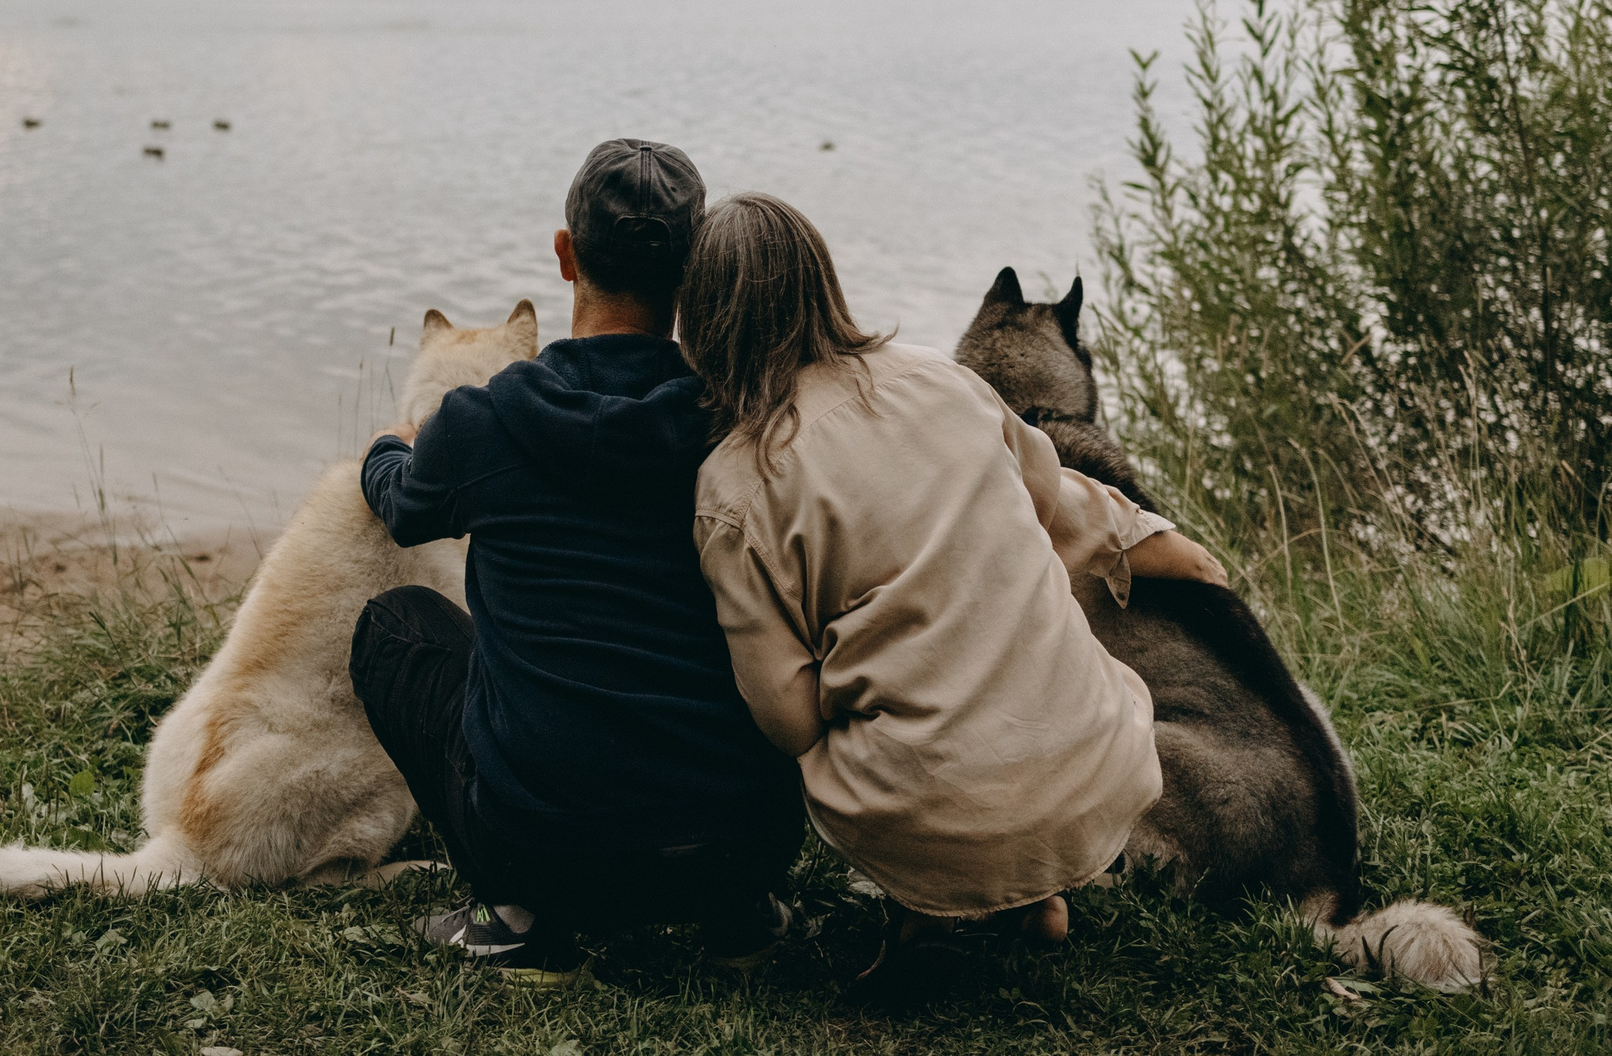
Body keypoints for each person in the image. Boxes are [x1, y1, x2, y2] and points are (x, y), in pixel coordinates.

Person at [678, 192, 1227, 1000]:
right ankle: (1035, 893)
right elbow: (1050, 496)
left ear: (702, 323)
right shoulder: (943, 377)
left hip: (933, 812)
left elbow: (788, 719)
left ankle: (926, 910)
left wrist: (873, 657)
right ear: (823, 283)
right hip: (1096, 765)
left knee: (857, 740)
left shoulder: (732, 486)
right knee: (1010, 672)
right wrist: (1153, 539)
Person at [349, 140, 806, 986]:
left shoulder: (481, 423)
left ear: (566, 253)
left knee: (394, 625)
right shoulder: (742, 421)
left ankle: (518, 920)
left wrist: (388, 446)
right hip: (741, 843)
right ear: (692, 266)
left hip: (543, 850)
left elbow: (403, 505)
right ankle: (740, 917)